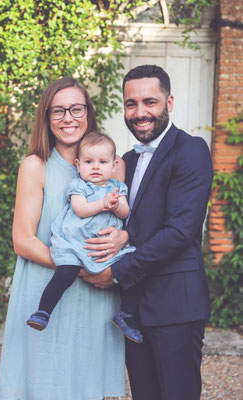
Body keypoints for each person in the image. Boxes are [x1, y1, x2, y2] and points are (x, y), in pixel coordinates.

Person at [81, 64, 214, 400]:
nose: (140, 113)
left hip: (175, 306)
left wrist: (115, 273)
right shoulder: (122, 160)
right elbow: (122, 223)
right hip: (132, 309)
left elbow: (180, 232)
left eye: (150, 102)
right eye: (131, 104)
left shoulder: (192, 150)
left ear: (169, 103)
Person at [0, 77, 129, 400]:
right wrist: (79, 267)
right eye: (58, 111)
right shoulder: (35, 165)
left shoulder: (115, 165)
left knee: (87, 388)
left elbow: (120, 218)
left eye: (76, 108)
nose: (68, 118)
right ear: (46, 117)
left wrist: (123, 237)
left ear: (88, 112)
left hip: (95, 296)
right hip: (47, 292)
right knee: (43, 386)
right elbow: (23, 240)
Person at [26, 131, 142, 342]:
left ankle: (126, 314)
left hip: (107, 250)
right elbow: (80, 209)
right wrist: (102, 204)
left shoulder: (117, 187)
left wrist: (116, 205)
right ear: (78, 165)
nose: (96, 167)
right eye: (89, 162)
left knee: (132, 270)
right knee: (65, 272)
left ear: (113, 166)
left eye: (102, 162)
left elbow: (125, 213)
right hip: (77, 243)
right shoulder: (79, 185)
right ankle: (43, 312)